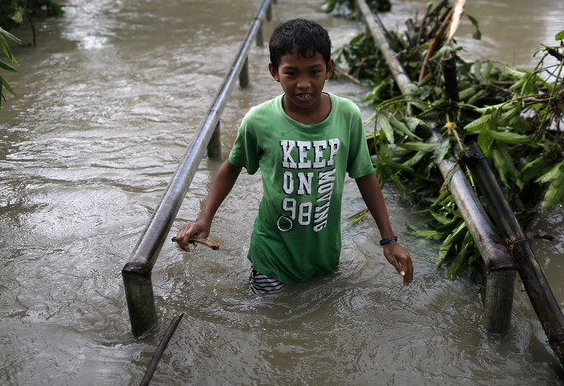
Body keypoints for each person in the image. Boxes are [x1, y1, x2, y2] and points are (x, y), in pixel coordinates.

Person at [175, 19, 414, 294]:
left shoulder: (347, 115)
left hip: (324, 255)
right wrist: (205, 218)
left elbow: (365, 175)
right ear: (274, 72)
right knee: (271, 322)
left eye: (314, 72)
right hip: (272, 257)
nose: (304, 84)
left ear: (329, 69)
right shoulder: (259, 120)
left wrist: (388, 239)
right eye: (291, 74)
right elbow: (231, 167)